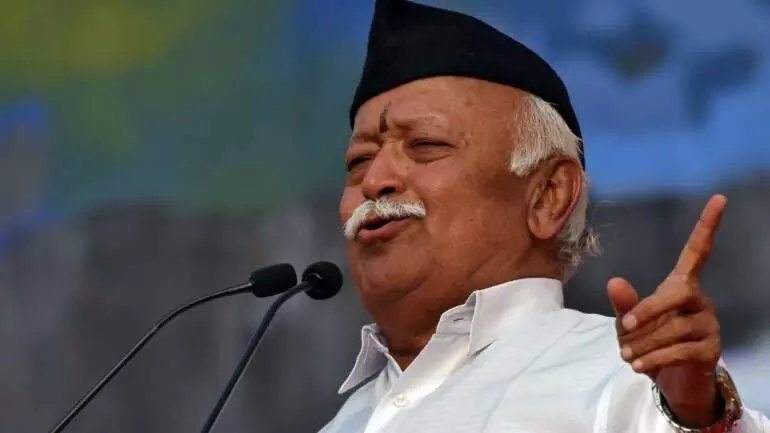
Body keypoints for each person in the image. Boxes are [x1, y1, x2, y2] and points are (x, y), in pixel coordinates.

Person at [322, 0, 770, 432]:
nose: (374, 180)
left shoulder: (625, 379)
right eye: (358, 161)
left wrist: (701, 419)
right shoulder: (343, 422)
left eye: (425, 145)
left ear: (548, 197)